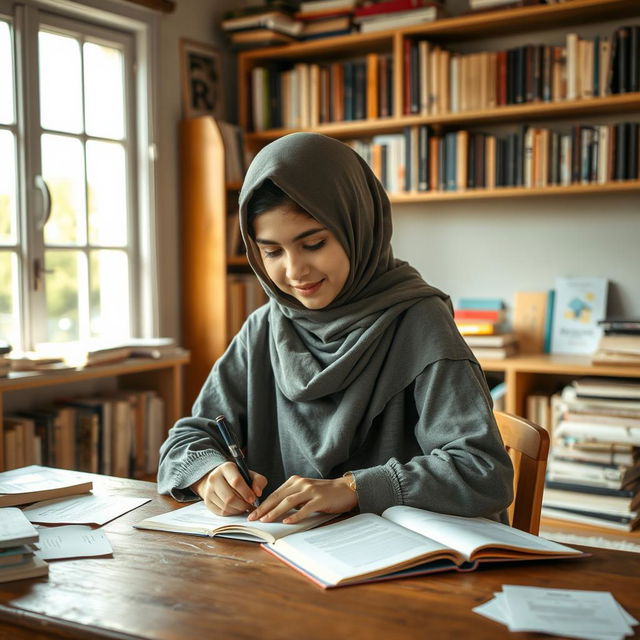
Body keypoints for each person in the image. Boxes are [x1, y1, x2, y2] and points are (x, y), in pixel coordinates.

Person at [158, 132, 513, 526]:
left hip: (395, 563)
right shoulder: (266, 327)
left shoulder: (419, 323)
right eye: (272, 251)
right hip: (284, 561)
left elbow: (483, 471)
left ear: (356, 226)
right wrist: (208, 474)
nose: (294, 272)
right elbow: (187, 439)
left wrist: (355, 489)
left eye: (314, 244)